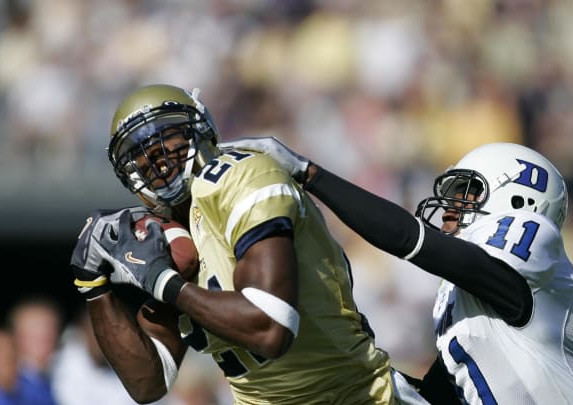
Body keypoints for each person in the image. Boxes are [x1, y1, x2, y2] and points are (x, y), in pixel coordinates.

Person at [69, 84, 427, 404]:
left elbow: (272, 328)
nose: (159, 160)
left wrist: (164, 283)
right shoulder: (166, 237)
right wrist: (93, 286)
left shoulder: (241, 176)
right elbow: (148, 383)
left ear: (201, 131)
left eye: (168, 142)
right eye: (143, 156)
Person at [224, 136, 573, 404]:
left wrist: (311, 175)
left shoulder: (534, 235)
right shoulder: (470, 307)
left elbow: (414, 241)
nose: (449, 209)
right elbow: (438, 396)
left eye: (466, 193)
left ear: (520, 195)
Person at [8, 296, 62, 405]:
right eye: (35, 330)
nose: (47, 334)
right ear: (17, 337)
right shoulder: (12, 386)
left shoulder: (56, 376)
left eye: (51, 328)